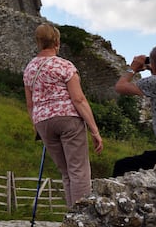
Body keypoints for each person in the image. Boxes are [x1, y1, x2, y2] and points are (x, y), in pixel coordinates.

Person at [23, 23, 103, 207]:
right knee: (79, 172)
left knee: (66, 173)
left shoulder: (29, 69)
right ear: (57, 42)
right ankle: (82, 220)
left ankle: (71, 217)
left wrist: (37, 125)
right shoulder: (64, 66)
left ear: (38, 42)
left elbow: (30, 103)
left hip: (43, 122)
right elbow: (79, 99)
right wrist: (94, 130)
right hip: (68, 119)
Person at [113, 45, 156, 176]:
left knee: (122, 166)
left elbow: (120, 87)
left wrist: (133, 68)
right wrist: (153, 68)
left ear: (155, 65)